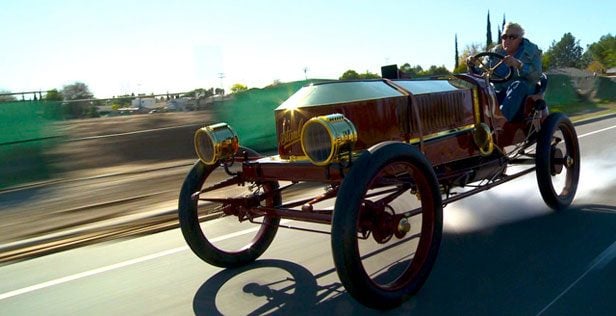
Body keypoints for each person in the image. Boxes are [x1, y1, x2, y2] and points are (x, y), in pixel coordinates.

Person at [482, 22, 543, 121]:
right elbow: (482, 68)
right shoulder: (495, 52)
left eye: (512, 37)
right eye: (504, 37)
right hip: (499, 90)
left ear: (520, 39)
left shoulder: (531, 51)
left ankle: (501, 122)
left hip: (525, 90)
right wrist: (472, 64)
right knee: (480, 90)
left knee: (519, 85)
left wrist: (519, 65)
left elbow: (536, 76)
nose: (507, 40)